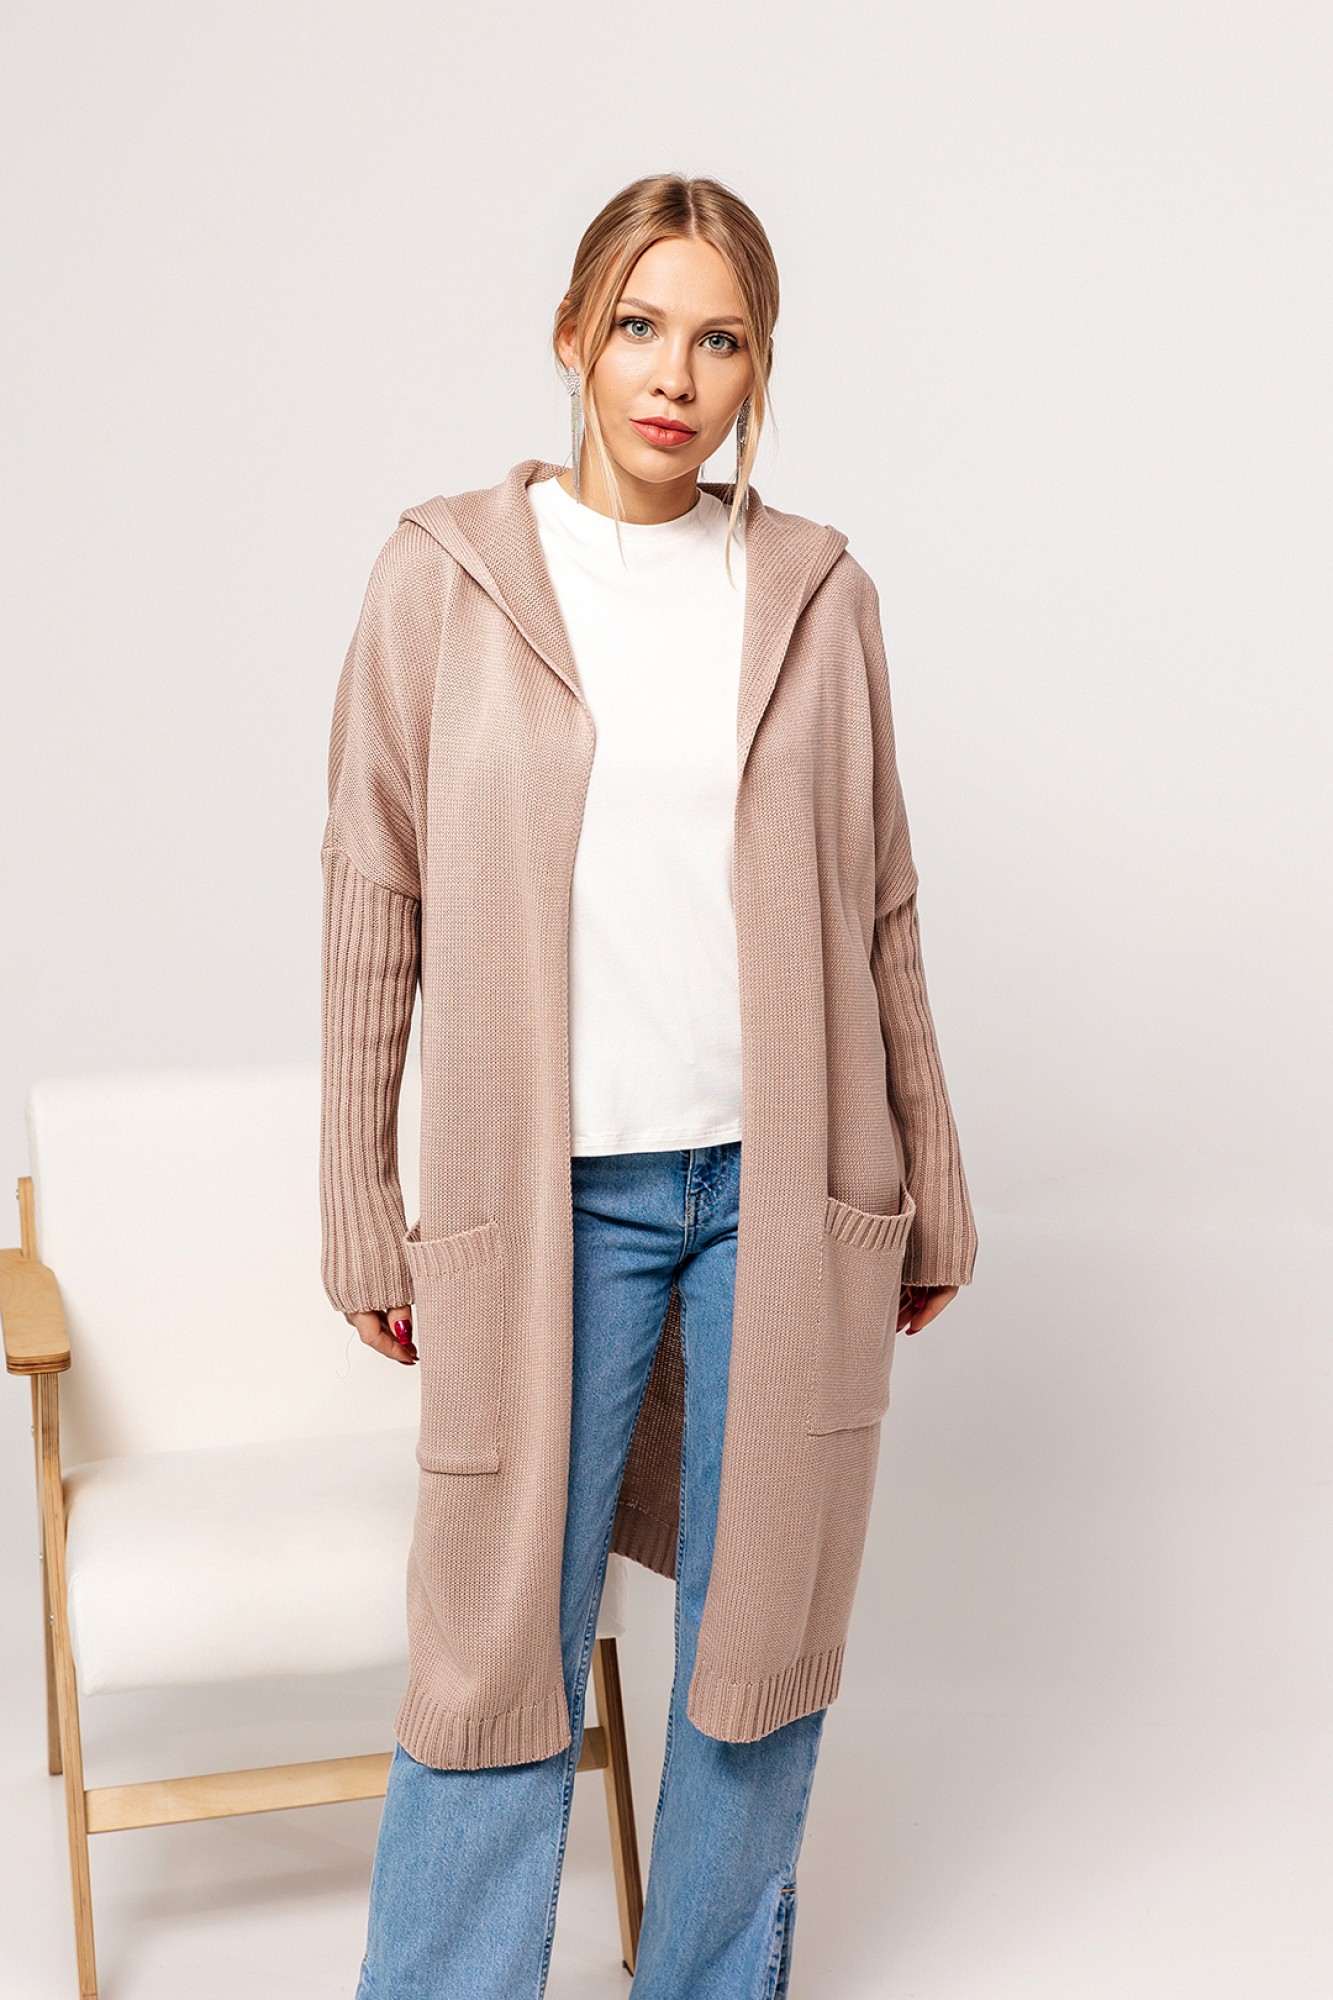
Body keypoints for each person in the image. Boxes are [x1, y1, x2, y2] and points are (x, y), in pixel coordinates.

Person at [320, 171, 978, 2000]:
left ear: (759, 369)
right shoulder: (446, 577)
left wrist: (933, 1177)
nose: (673, 377)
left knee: (759, 1648)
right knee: (492, 1654)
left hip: (781, 1193)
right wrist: (360, 1198)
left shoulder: (815, 593)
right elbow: (373, 889)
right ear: (570, 338)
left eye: (718, 340)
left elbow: (880, 902)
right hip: (552, 1206)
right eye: (637, 326)